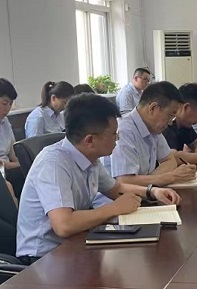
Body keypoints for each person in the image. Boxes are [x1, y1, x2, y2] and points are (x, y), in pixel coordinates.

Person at [15, 93, 180, 263]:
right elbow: (64, 225)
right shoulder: (54, 163)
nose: (117, 139)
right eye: (114, 135)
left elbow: (116, 188)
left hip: (76, 244)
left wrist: (153, 191)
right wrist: (114, 208)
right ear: (90, 140)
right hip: (42, 258)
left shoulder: (89, 158)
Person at [109, 81, 197, 188]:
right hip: (118, 198)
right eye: (170, 116)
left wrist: (149, 180)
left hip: (143, 194)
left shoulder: (153, 128)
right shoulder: (124, 131)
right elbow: (124, 181)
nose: (170, 123)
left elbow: (170, 160)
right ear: (153, 108)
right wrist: (171, 177)